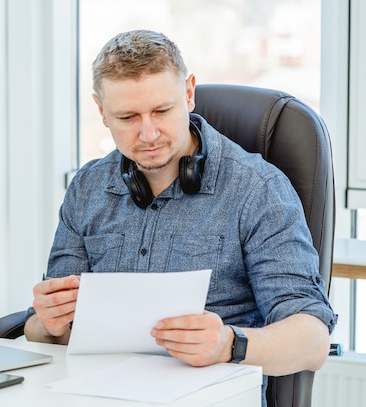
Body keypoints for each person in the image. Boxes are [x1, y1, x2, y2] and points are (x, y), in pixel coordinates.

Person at [23, 30, 337, 404]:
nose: (148, 133)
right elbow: (43, 330)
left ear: (189, 93)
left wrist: (228, 345)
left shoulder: (258, 189)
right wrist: (48, 324)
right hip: (94, 393)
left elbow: (313, 341)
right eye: (127, 117)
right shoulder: (88, 187)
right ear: (101, 111)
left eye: (162, 110)